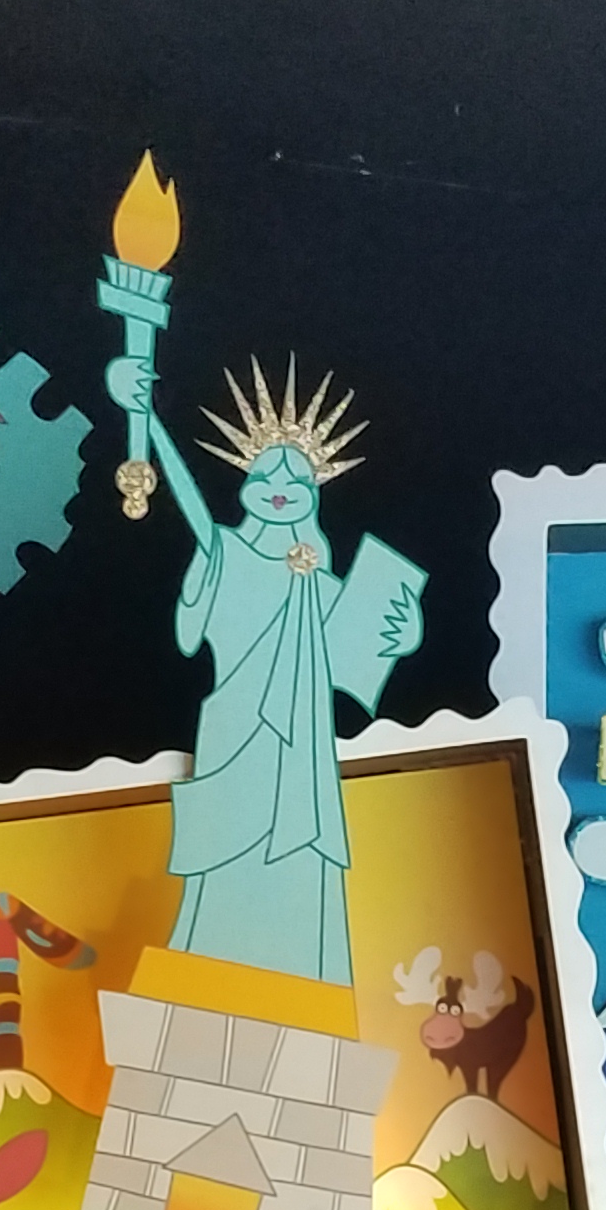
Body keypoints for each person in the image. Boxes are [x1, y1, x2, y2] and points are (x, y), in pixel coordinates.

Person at [106, 354, 423, 988]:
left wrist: (404, 627)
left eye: (296, 479)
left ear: (314, 495)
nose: (279, 486)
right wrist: (144, 416)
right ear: (246, 485)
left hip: (305, 755)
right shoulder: (223, 554)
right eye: (264, 475)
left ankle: (308, 980)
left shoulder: (324, 586)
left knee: (298, 863)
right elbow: (192, 506)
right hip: (231, 739)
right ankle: (211, 973)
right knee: (223, 859)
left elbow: (362, 655)